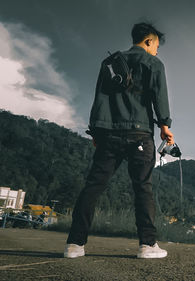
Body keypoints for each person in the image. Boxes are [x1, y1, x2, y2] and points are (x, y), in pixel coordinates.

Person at [64, 22, 174, 259]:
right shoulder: (153, 63)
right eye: (155, 45)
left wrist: (96, 131)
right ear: (148, 41)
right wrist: (165, 126)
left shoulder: (110, 62)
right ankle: (147, 245)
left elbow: (99, 98)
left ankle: (74, 245)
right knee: (142, 188)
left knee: (93, 186)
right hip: (139, 135)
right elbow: (159, 95)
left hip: (109, 133)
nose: (156, 50)